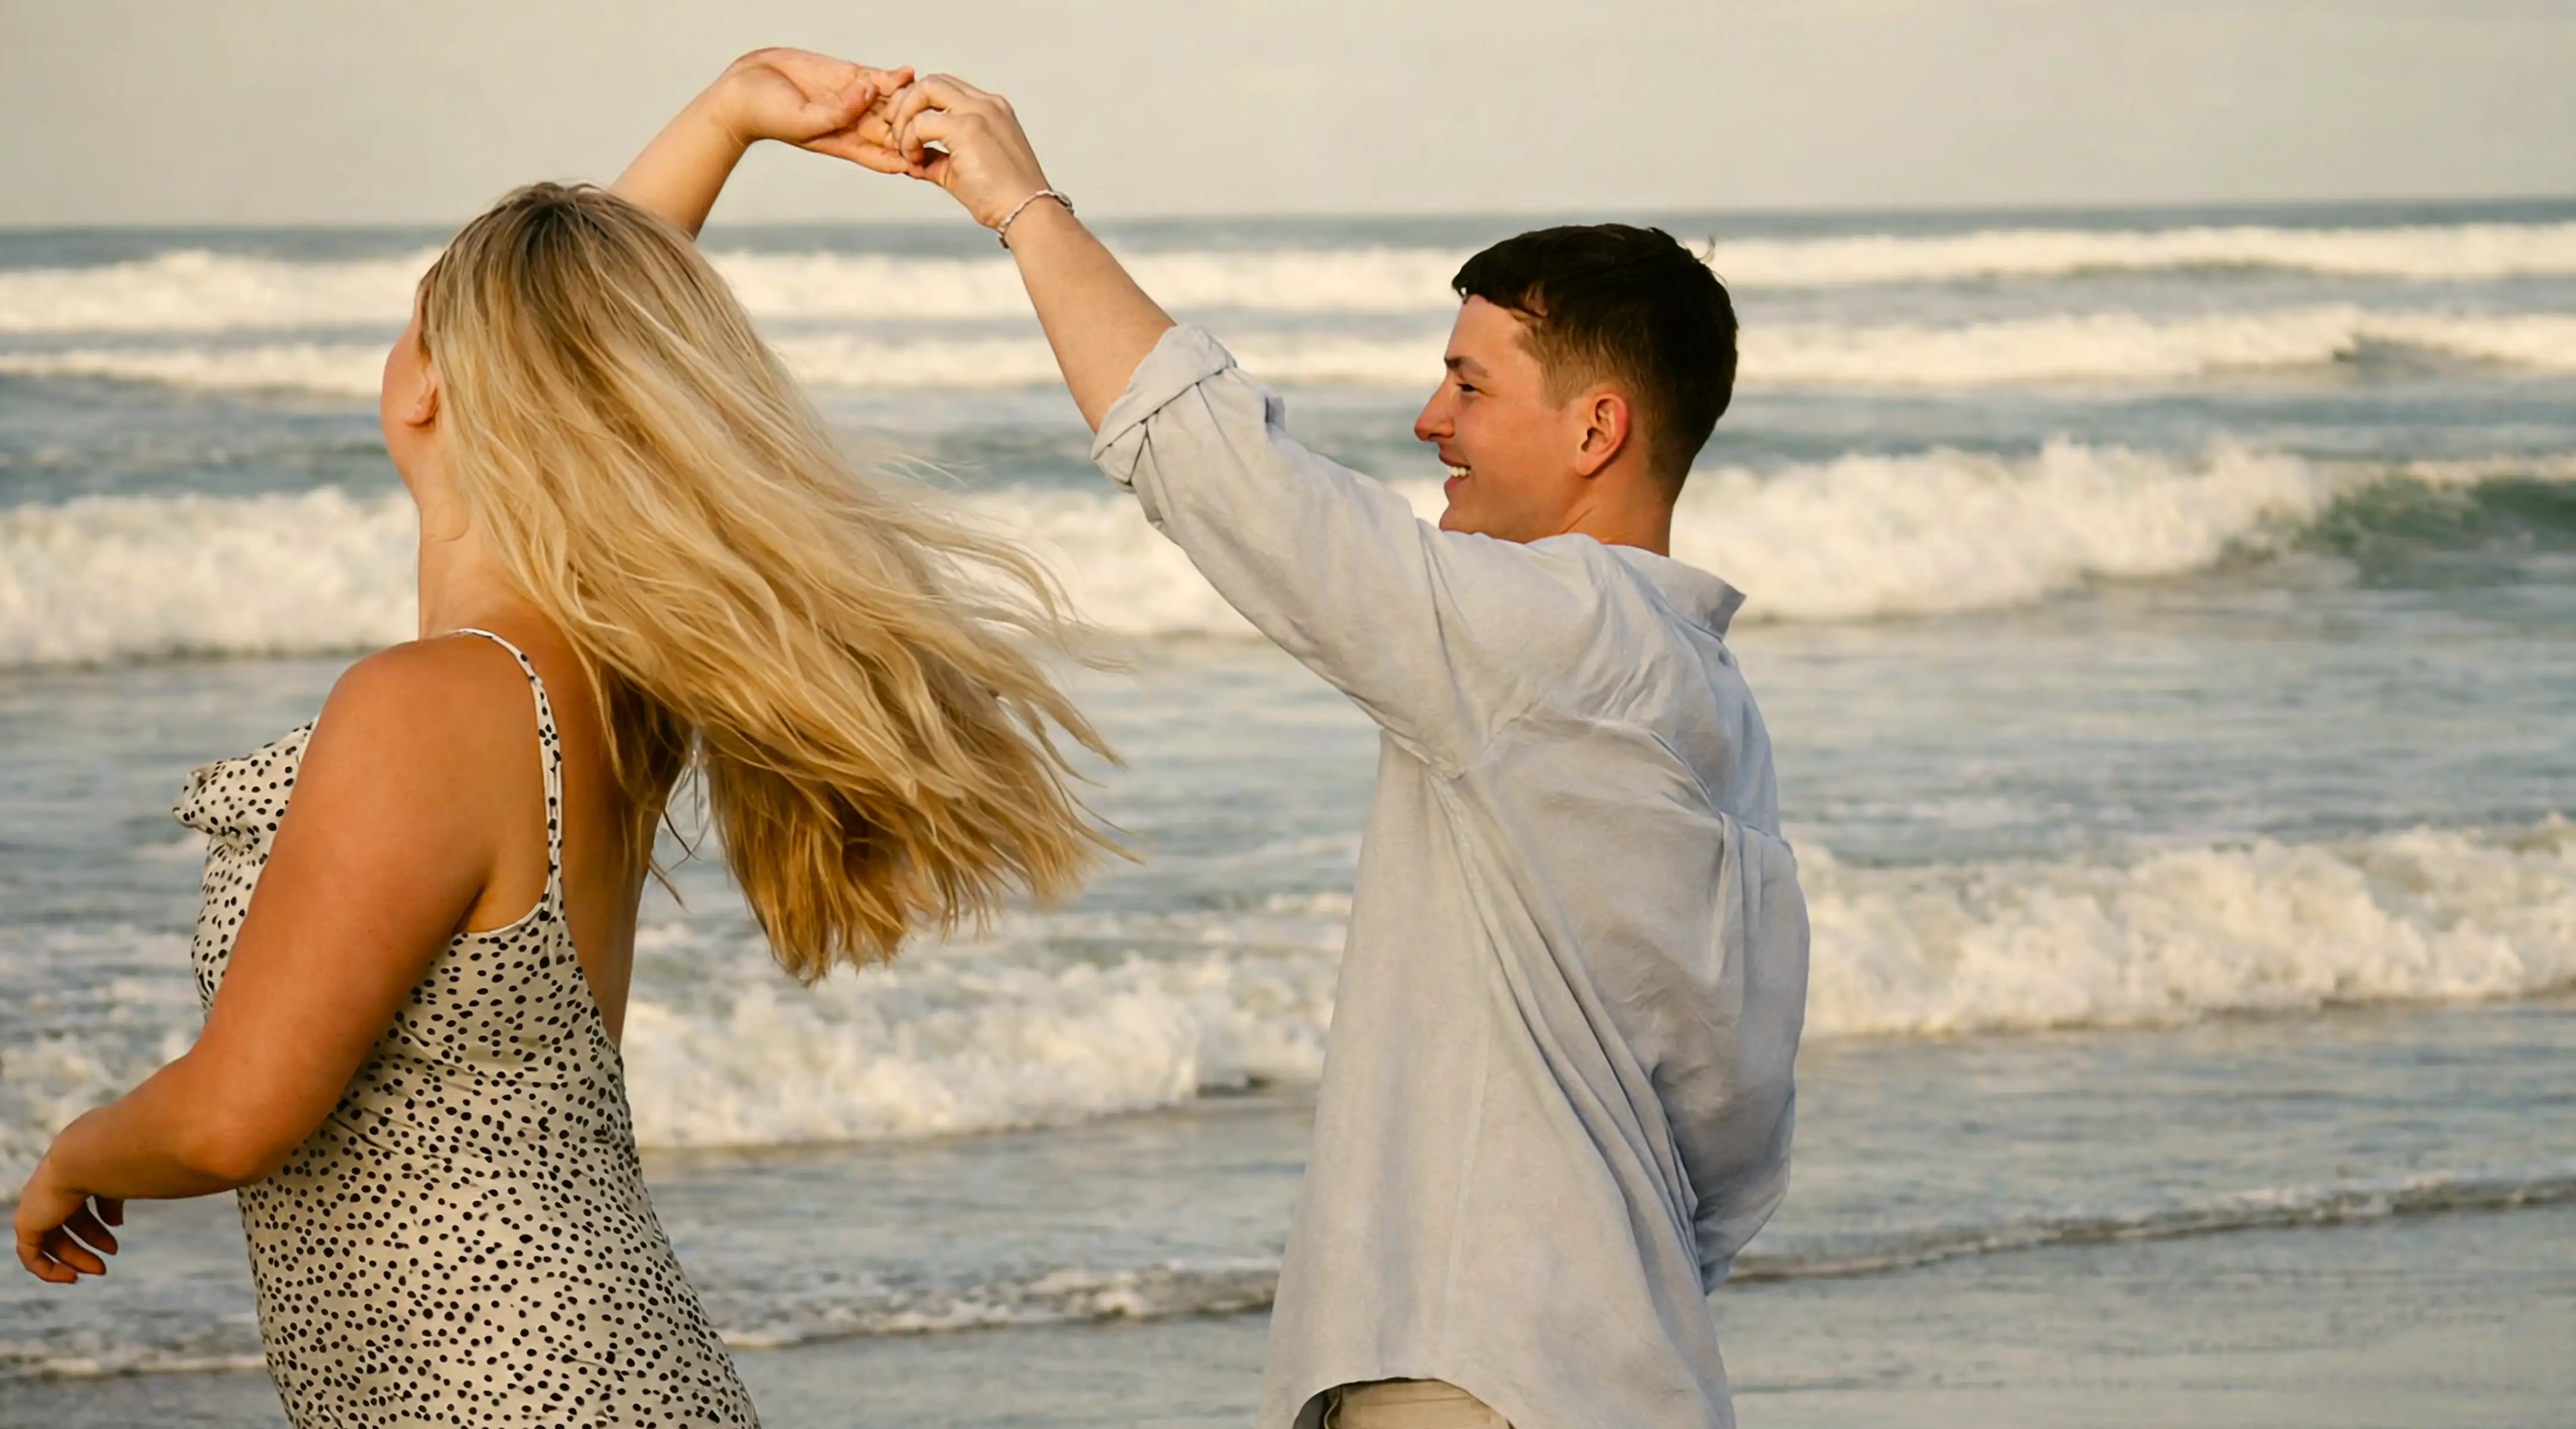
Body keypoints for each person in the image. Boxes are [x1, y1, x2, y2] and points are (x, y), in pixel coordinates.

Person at [11, 51, 1111, 1428]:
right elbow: (601, 344)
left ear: (429, 386)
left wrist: (75, 1151)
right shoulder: (598, 677)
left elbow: (236, 1116)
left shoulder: (433, 702)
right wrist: (724, 119)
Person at [866, 74, 1816, 1429]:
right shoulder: (1709, 697)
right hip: (1622, 1369)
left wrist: (1022, 206)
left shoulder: (1552, 635)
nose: (1432, 420)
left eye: (1470, 384)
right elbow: (1739, 1134)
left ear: (1597, 428)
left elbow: (1229, 479)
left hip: (1479, 1372)